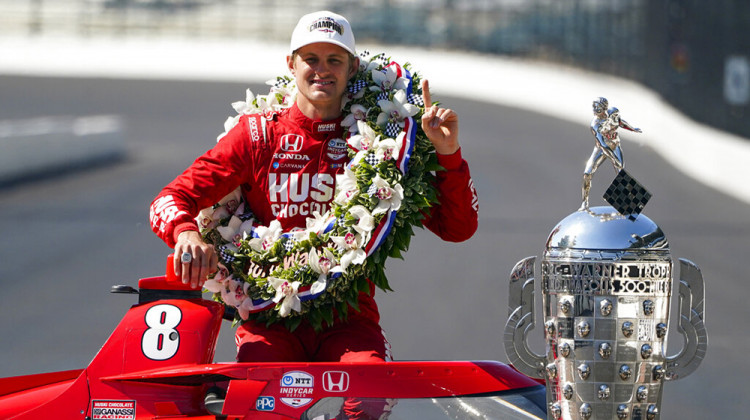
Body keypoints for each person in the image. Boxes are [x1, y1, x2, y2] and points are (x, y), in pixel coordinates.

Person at [149, 10, 478, 366]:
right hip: (269, 321)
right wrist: (186, 233)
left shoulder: (387, 140)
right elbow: (170, 198)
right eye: (311, 59)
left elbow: (457, 229)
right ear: (291, 64)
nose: (322, 69)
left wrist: (447, 154)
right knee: (258, 401)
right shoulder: (258, 134)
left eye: (334, 60)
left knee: (368, 396)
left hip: (350, 323)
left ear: (352, 69)